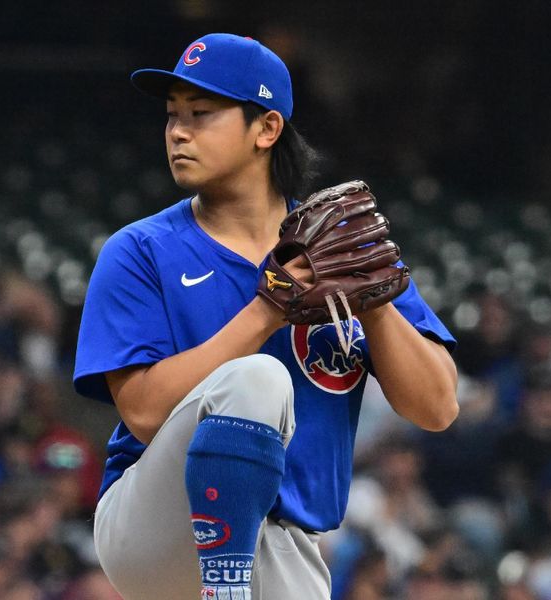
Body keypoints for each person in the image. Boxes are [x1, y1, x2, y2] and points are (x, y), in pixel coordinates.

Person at [73, 32, 459, 600]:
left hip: (285, 544)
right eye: (172, 115)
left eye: (201, 114)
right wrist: (267, 311)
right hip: (159, 526)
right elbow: (146, 414)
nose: (178, 131)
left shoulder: (339, 246)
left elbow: (437, 408)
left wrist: (371, 305)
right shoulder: (141, 250)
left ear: (267, 129)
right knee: (258, 379)